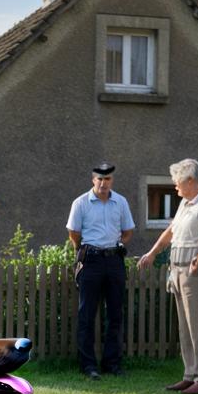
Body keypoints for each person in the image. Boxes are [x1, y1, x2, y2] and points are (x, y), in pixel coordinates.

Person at [136, 159, 198, 394]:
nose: (175, 187)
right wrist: (153, 253)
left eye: (177, 183)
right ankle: (190, 374)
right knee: (185, 326)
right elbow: (171, 231)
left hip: (195, 271)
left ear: (191, 180)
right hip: (178, 269)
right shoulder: (186, 204)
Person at [67, 161, 135, 380]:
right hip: (91, 261)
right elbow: (74, 234)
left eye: (107, 179)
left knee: (115, 314)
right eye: (100, 179)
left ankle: (112, 364)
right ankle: (89, 366)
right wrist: (84, 250)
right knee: (86, 315)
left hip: (114, 260)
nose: (103, 183)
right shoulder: (81, 203)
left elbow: (127, 231)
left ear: (112, 180)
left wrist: (119, 244)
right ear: (93, 180)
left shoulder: (121, 202)